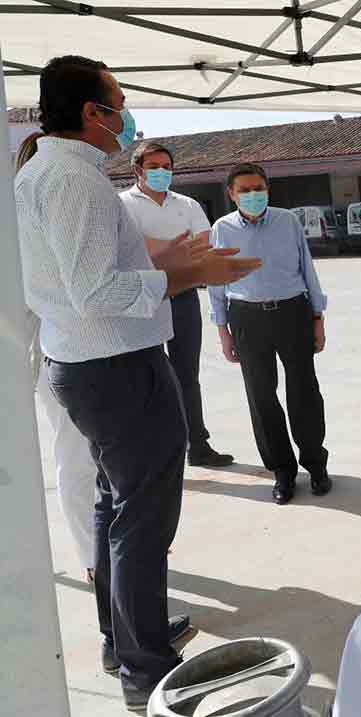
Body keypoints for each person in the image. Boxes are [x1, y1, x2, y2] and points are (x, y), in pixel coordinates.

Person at [14, 55, 261, 711]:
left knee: (117, 508)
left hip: (97, 365)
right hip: (115, 367)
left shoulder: (59, 173)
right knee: (142, 520)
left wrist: (168, 258)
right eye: (118, 101)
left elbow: (88, 266)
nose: (127, 115)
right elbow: (95, 290)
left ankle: (125, 638)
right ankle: (146, 669)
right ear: (94, 113)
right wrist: (181, 277)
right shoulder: (73, 181)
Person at [209, 163, 332, 506]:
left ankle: (315, 464)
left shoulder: (287, 221)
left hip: (293, 312)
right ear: (231, 194)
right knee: (262, 397)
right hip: (247, 318)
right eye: (244, 190)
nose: (252, 195)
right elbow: (217, 282)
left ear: (268, 189)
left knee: (304, 391)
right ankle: (282, 471)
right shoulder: (222, 229)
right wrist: (223, 331)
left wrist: (317, 317)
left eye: (258, 188)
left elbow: (307, 268)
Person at [120, 142, 234, 467]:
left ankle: (197, 445)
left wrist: (160, 251)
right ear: (138, 170)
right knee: (149, 376)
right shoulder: (122, 204)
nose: (162, 172)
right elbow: (133, 247)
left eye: (166, 166)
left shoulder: (187, 204)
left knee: (188, 374)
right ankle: (156, 450)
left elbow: (203, 244)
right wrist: (172, 250)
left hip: (183, 296)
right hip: (145, 298)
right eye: (154, 166)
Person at [18, 131, 97, 580]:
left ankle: (103, 549)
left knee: (94, 458)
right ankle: (92, 557)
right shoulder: (21, 229)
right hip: (53, 357)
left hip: (80, 354)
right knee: (76, 457)